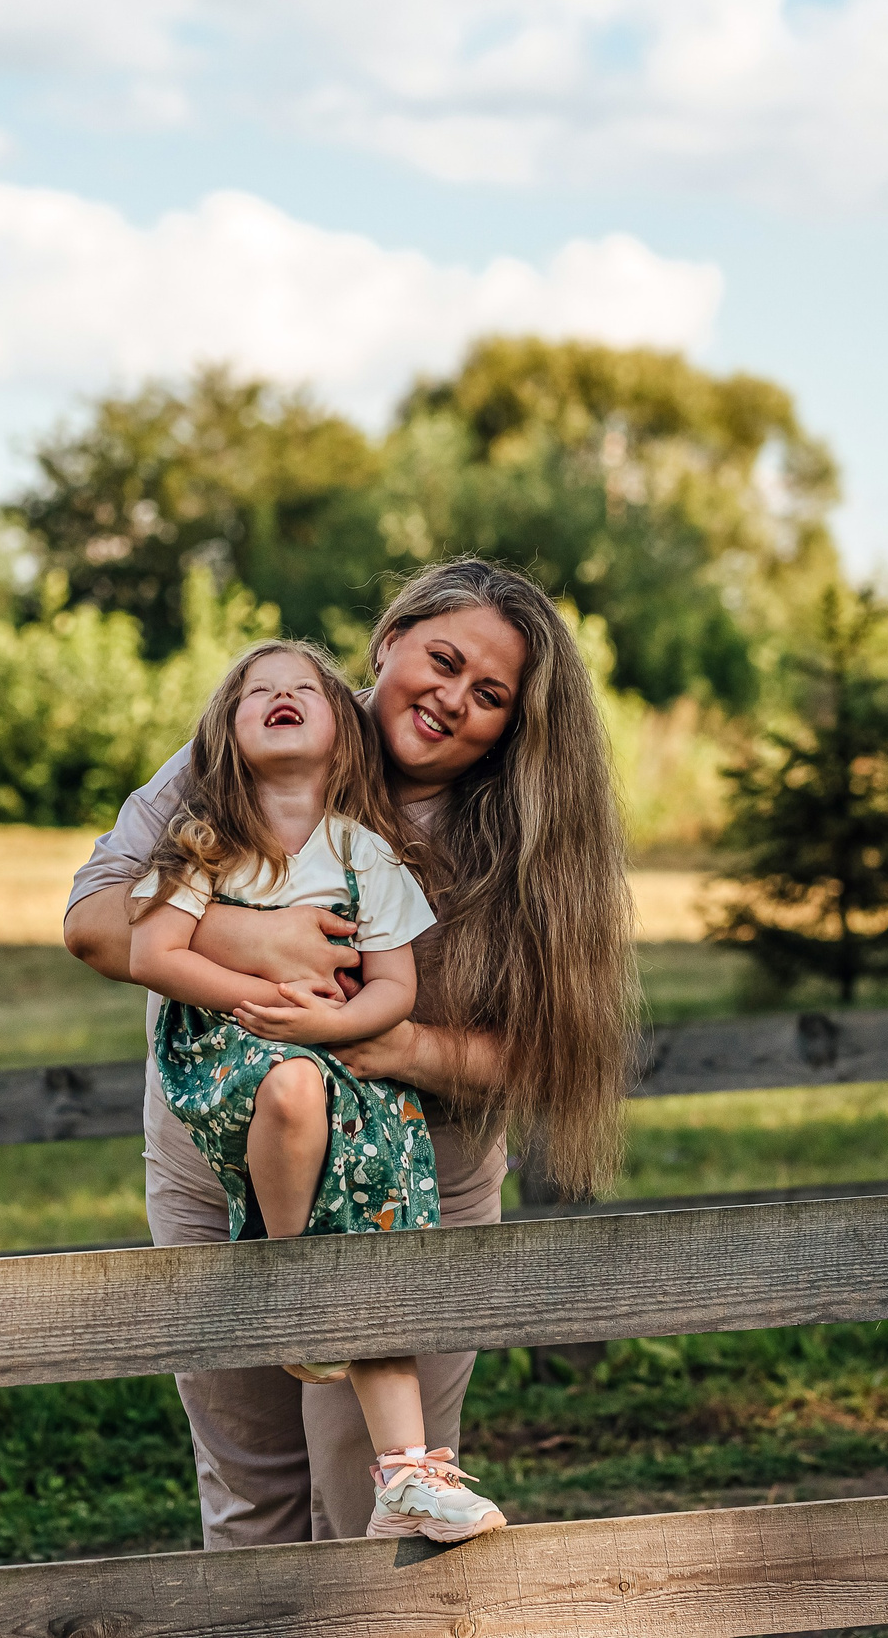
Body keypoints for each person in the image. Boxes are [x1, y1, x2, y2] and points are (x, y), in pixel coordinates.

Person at [64, 556, 638, 1546]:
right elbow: (92, 921)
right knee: (249, 1493)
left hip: (412, 1188)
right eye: (442, 660)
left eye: (489, 694)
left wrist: (405, 1040)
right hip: (221, 1179)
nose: (453, 699)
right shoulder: (268, 732)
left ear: (515, 722)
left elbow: (549, 1056)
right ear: (391, 639)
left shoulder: (528, 828)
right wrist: (254, 939)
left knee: (376, 1496)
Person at [126, 636, 504, 1541]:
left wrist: (337, 1027)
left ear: (342, 736)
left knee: (377, 1233)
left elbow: (392, 985)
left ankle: (407, 1474)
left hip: (351, 1083)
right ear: (228, 729)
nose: (282, 696)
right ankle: (293, 1284)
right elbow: (141, 947)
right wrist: (263, 992)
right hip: (237, 1070)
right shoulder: (205, 839)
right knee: (293, 1092)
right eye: (260, 690)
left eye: (303, 688)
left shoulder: (363, 854)